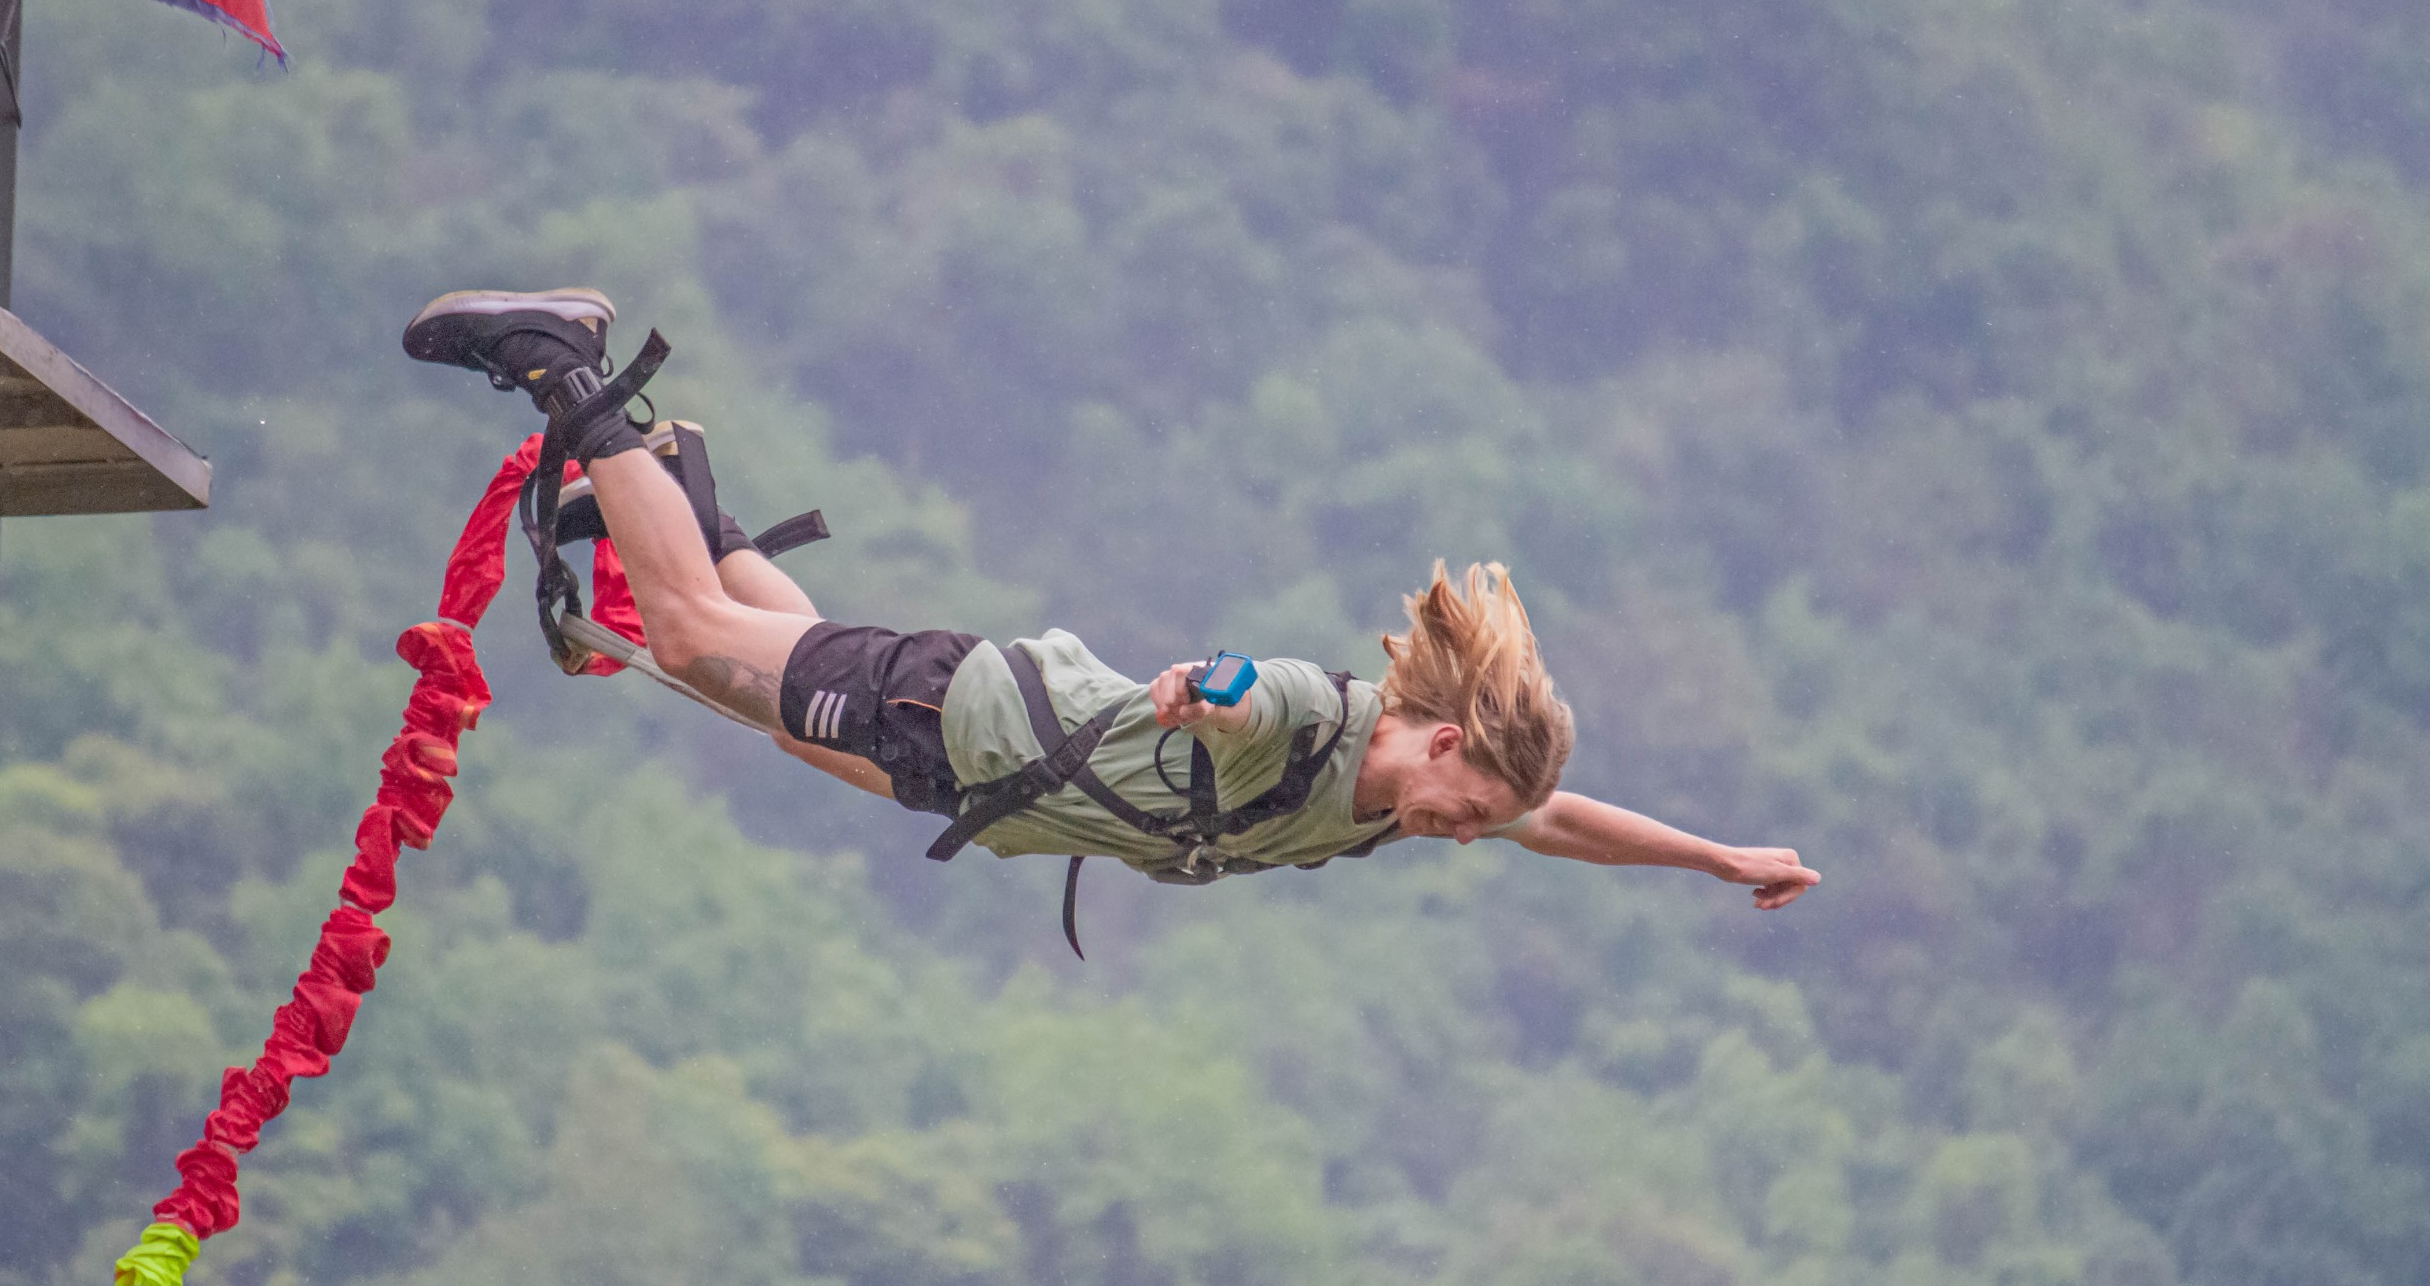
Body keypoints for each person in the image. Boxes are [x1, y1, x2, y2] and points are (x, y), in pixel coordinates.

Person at [405, 288, 1820, 923]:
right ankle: (563, 363)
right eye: (1470, 805)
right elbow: (1248, 690)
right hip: (958, 716)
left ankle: (683, 508)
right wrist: (1203, 691)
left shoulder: (1421, 798)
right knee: (695, 641)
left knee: (769, 708)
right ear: (1442, 738)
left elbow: (1559, 822)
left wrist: (1715, 858)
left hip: (964, 766)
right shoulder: (1324, 727)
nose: (1468, 831)